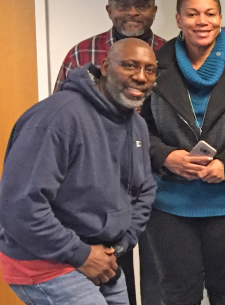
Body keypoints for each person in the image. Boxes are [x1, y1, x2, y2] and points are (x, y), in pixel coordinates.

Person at [140, 0, 225, 305]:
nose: (202, 21)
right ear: (178, 19)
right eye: (193, 13)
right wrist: (165, 156)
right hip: (169, 204)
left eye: (210, 13)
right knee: (178, 294)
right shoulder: (154, 64)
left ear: (221, 18)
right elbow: (138, 127)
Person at [0, 39, 158, 305]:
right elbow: (20, 204)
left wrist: (118, 246)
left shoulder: (136, 125)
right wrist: (80, 253)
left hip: (101, 255)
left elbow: (145, 189)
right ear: (106, 66)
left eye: (150, 70)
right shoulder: (57, 117)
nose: (141, 77)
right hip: (44, 259)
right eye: (130, 66)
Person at [55, 0, 165, 91]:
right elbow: (59, 105)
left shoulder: (170, 53)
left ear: (154, 11)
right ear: (109, 11)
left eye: (141, 6)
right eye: (122, 6)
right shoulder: (80, 54)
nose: (132, 12)